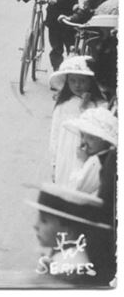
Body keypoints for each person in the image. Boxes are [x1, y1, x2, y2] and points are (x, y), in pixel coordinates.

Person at [28, 183, 115, 286]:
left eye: (44, 221)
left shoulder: (70, 275)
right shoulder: (61, 266)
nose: (35, 225)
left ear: (68, 234)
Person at [48, 56, 108, 186]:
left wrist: (85, 107)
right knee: (64, 189)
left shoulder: (100, 105)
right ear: (66, 82)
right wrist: (54, 163)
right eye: (72, 80)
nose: (77, 85)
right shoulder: (62, 106)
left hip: (88, 157)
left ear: (91, 82)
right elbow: (55, 135)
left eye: (82, 81)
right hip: (64, 155)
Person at [62, 107, 117, 195]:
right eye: (83, 135)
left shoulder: (96, 161)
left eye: (91, 138)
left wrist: (80, 161)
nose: (84, 141)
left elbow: (74, 189)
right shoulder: (106, 157)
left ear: (105, 141)